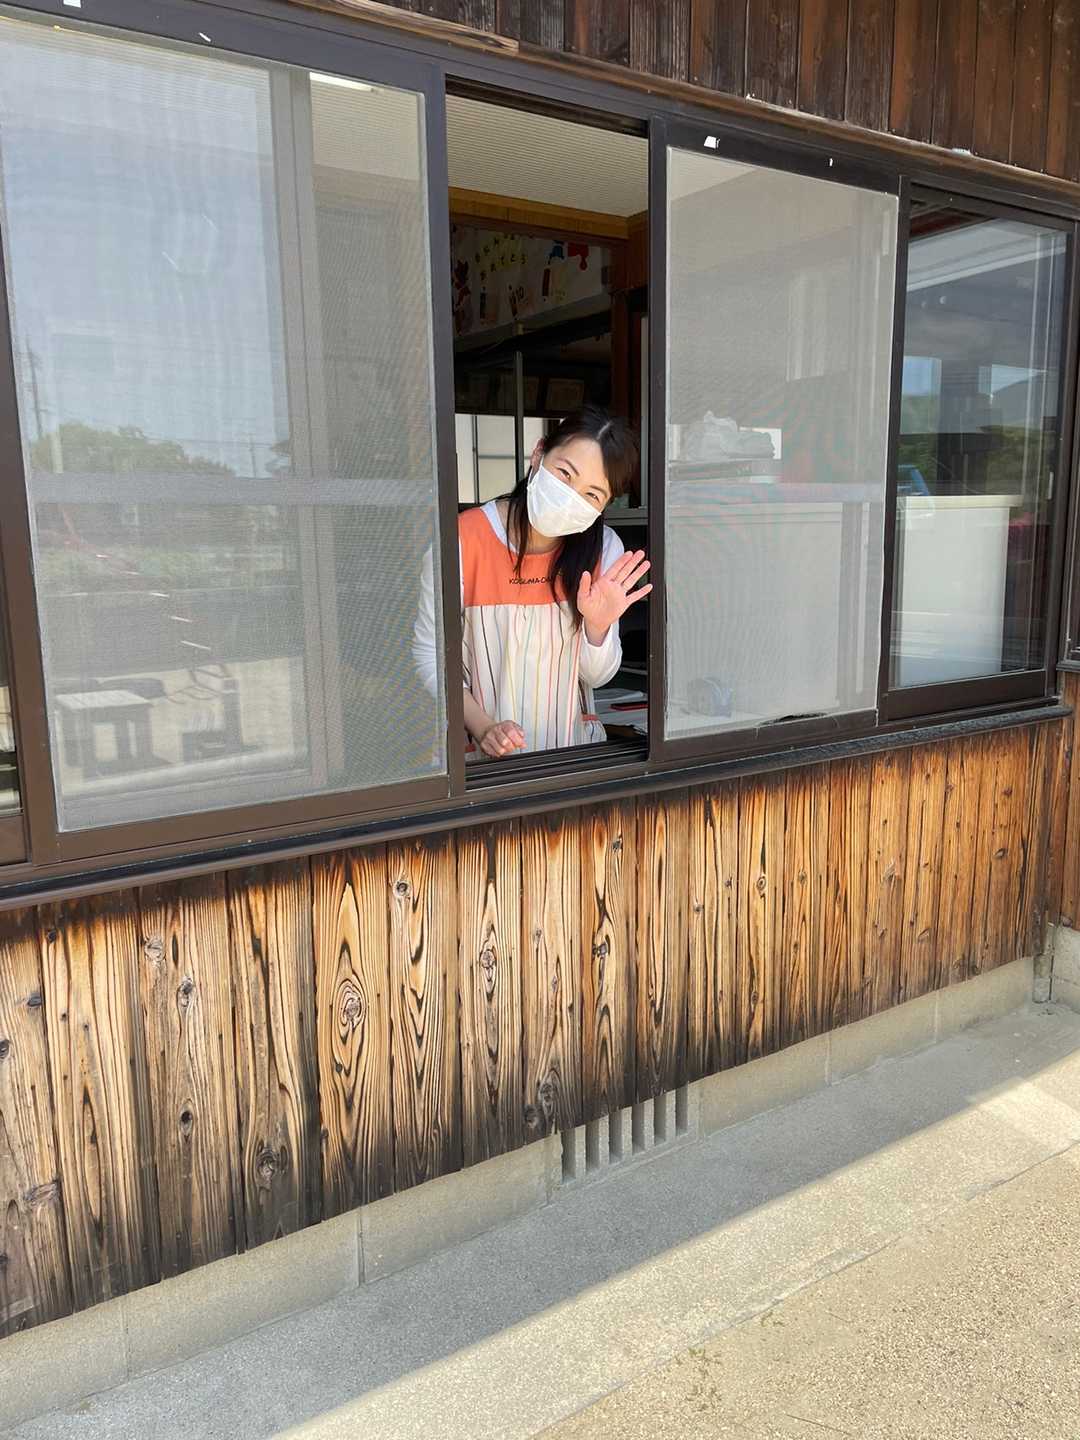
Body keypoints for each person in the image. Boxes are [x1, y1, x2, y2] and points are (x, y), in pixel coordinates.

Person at [413, 407, 650, 759]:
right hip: (477, 761)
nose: (571, 496)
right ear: (539, 454)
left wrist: (597, 627)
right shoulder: (462, 539)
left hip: (569, 757)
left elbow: (597, 677)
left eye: (592, 494)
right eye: (565, 473)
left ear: (603, 506)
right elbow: (430, 655)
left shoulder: (603, 550)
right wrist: (484, 727)